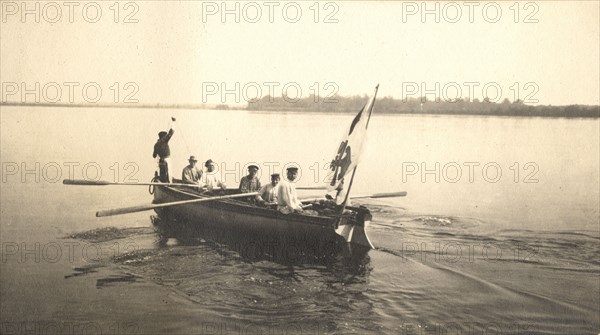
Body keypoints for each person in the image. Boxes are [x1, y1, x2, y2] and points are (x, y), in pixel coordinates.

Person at [153, 117, 176, 182]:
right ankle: (169, 184)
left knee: (163, 175)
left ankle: (163, 183)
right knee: (169, 175)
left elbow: (154, 155)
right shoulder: (164, 140)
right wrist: (174, 122)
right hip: (167, 160)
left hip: (161, 161)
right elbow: (171, 132)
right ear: (163, 137)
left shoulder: (156, 145)